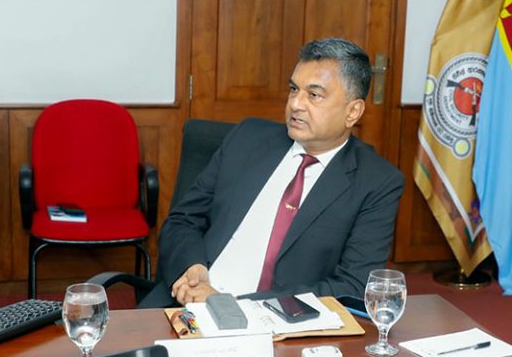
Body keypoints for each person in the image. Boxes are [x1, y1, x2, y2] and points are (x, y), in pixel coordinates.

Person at [138, 37, 404, 308]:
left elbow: (353, 286)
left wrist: (232, 303)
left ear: (352, 112)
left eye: (313, 95)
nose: (296, 104)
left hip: (279, 326)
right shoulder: (248, 138)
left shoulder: (376, 182)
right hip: (186, 301)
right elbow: (182, 220)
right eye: (293, 89)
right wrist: (192, 269)